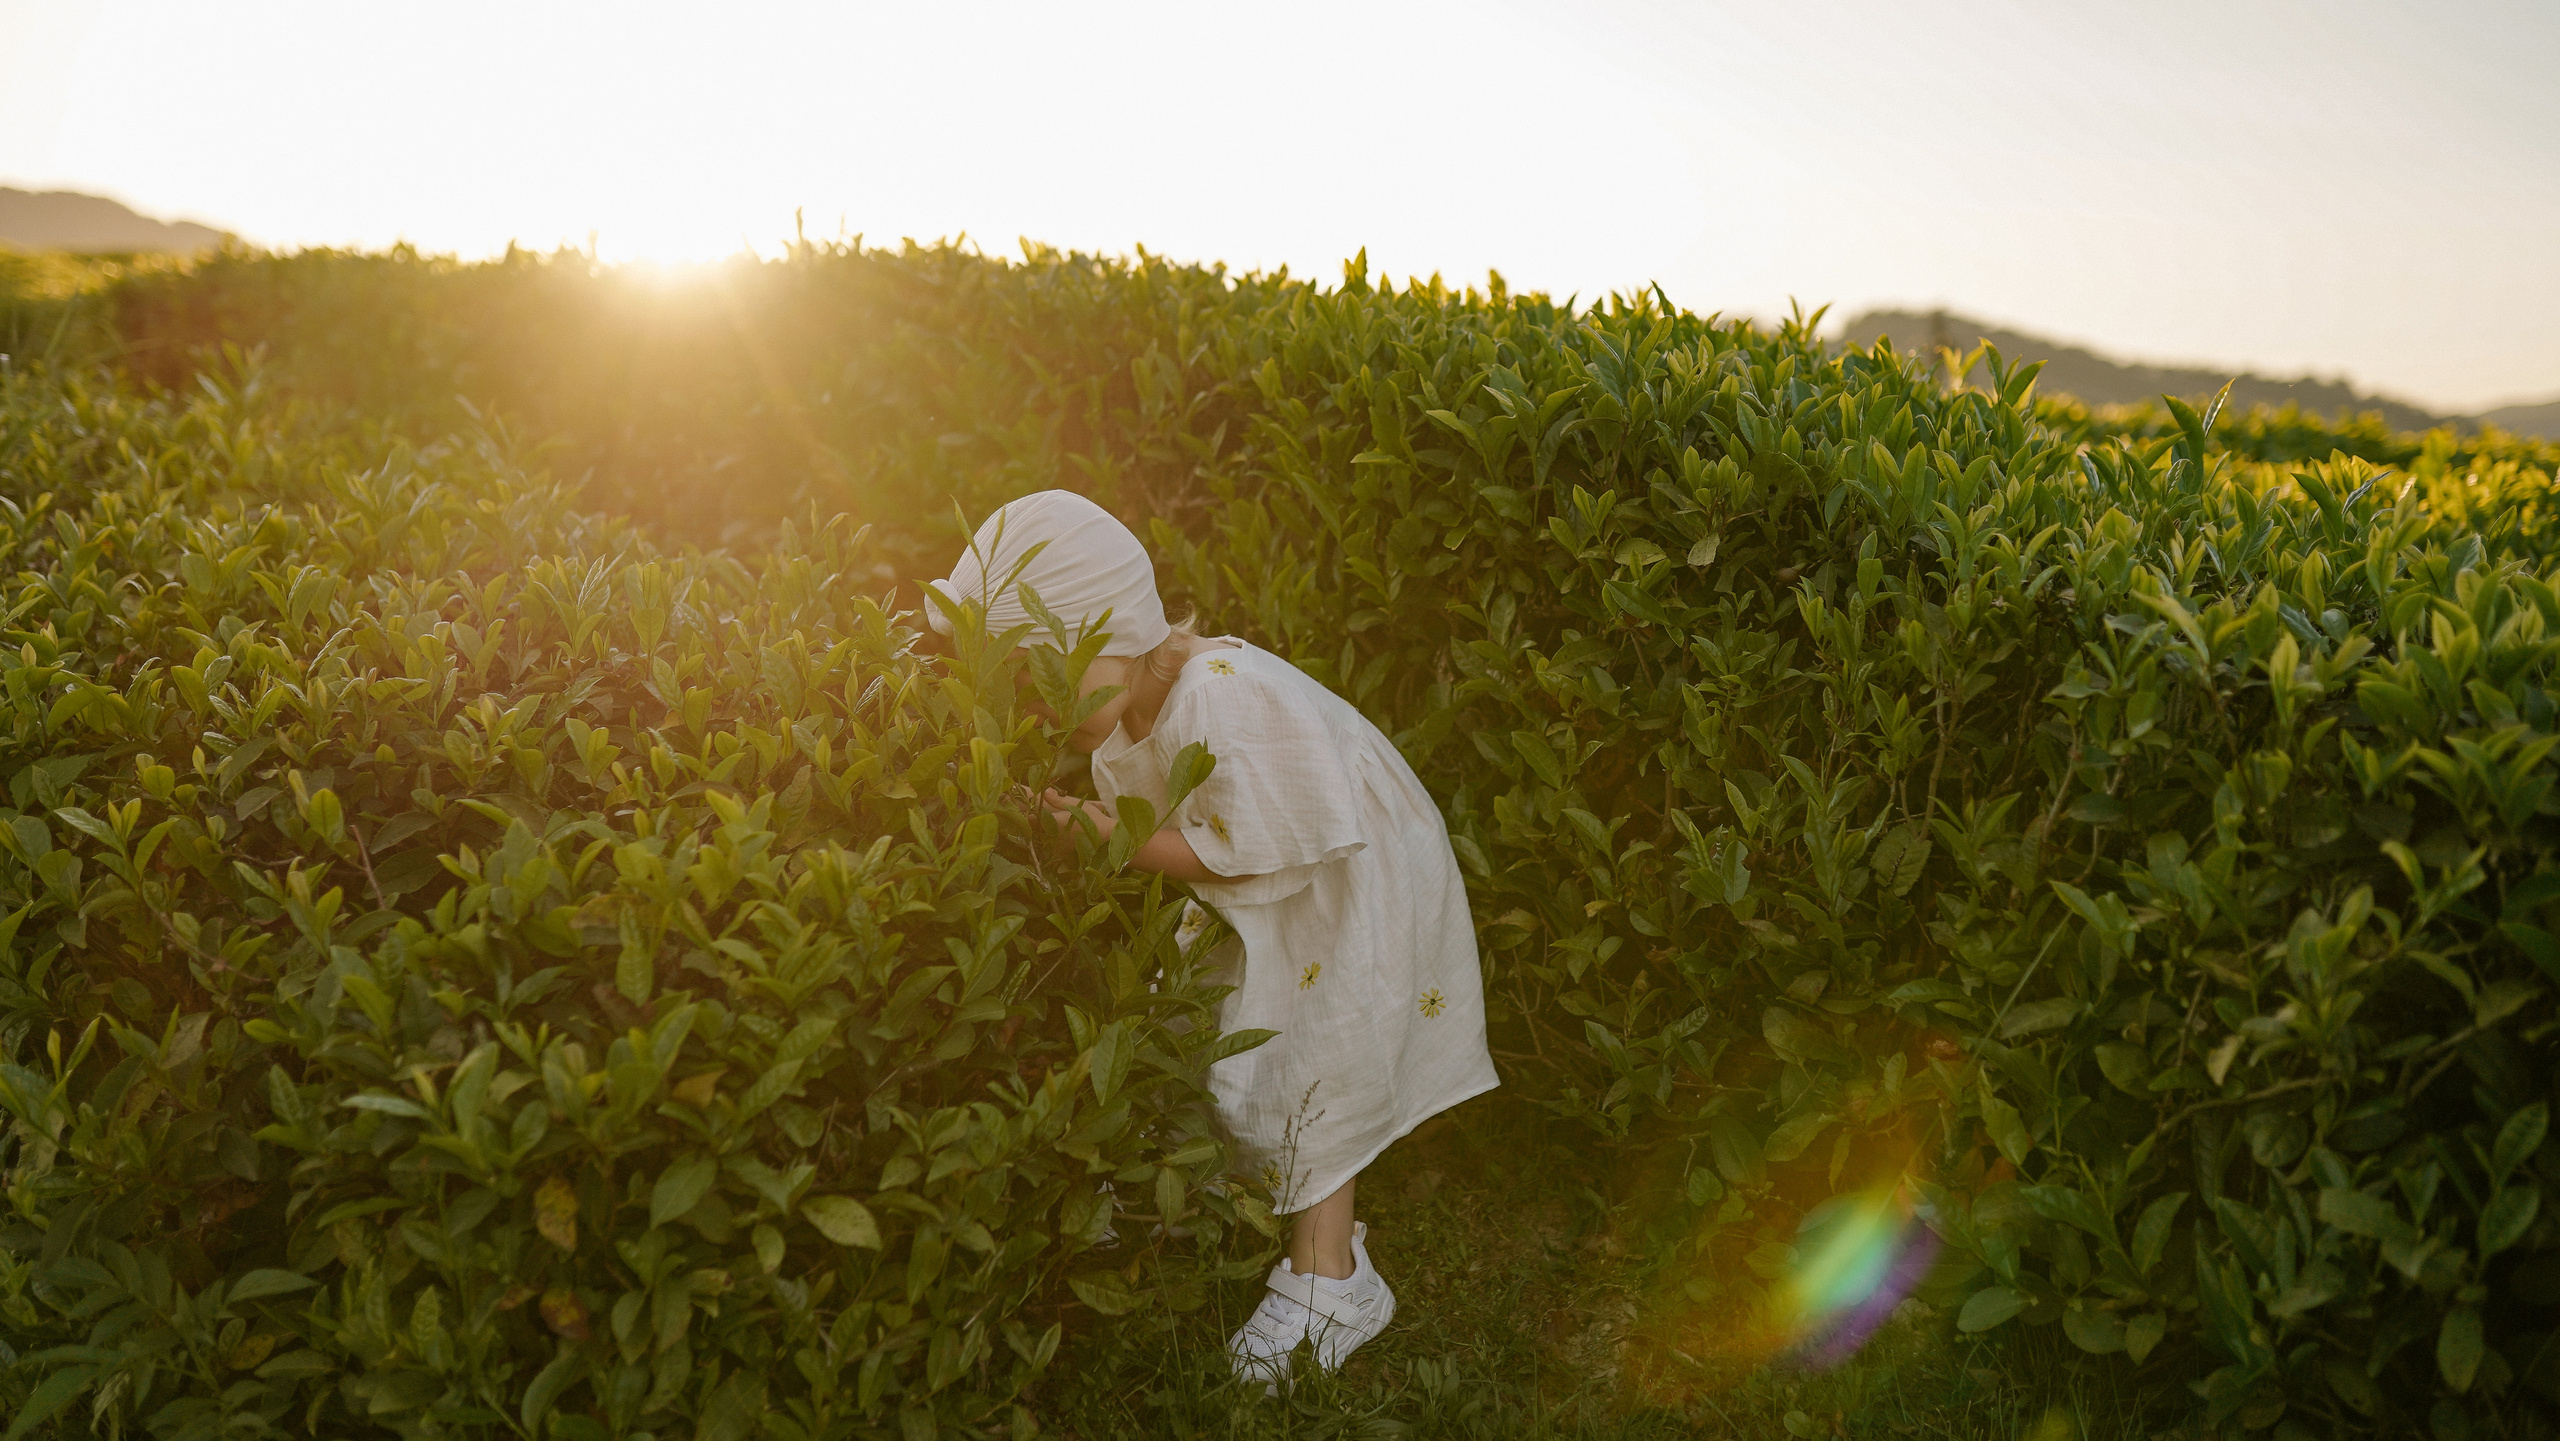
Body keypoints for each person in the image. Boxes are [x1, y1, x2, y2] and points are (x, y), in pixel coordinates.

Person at [924, 490, 1498, 1386]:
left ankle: (1334, 1277)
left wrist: (1100, 832)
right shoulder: (1134, 713)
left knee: (1313, 1062)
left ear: (1118, 628)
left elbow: (1250, 847)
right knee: (1204, 1024)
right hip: (1271, 887)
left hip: (1345, 886)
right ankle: (1181, 1188)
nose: (1042, 704)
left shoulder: (1218, 697)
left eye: (1054, 672)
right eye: (1023, 684)